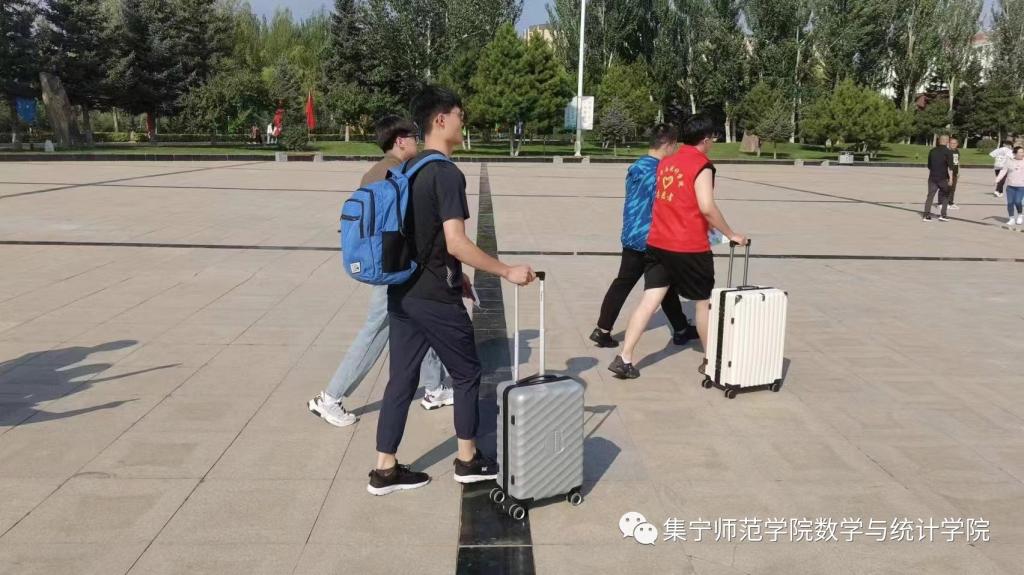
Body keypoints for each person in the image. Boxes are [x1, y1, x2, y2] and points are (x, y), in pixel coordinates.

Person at [368, 85, 535, 496]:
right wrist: (506, 270)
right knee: (467, 372)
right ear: (441, 120)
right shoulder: (445, 173)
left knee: (401, 379)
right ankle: (467, 460)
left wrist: (454, 271)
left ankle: (384, 470)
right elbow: (456, 242)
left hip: (402, 291)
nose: (463, 122)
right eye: (460, 115)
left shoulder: (408, 168)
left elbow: (423, 236)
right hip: (434, 298)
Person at [308, 116, 455, 429]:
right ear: (400, 141)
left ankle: (434, 388)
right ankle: (330, 397)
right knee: (377, 329)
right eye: (413, 137)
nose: (417, 142)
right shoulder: (399, 175)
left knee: (422, 319)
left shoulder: (373, 172)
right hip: (394, 265)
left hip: (386, 262)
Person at [608, 115, 747, 379]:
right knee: (702, 302)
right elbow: (706, 207)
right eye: (713, 138)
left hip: (658, 243)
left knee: (650, 300)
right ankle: (710, 362)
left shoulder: (667, 162)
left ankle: (624, 358)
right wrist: (731, 234)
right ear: (705, 139)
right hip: (689, 247)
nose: (713, 142)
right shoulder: (702, 165)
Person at [590, 124, 696, 349]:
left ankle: (602, 329)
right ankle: (681, 330)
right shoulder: (663, 172)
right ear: (668, 144)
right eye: (675, 145)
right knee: (663, 285)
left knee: (625, 283)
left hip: (631, 235)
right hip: (654, 238)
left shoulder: (636, 167)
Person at [923, 135, 953, 222]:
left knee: (930, 196)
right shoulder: (948, 152)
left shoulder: (932, 151)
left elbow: (929, 166)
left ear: (939, 141)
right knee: (946, 195)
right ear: (947, 141)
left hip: (932, 177)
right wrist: (951, 179)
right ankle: (943, 215)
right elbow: (950, 167)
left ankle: (926, 215)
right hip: (943, 178)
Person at [995, 146, 1024, 226]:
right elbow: (1003, 171)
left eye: (1023, 152)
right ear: (1015, 154)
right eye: (1020, 152)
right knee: (1010, 203)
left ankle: (1020, 215)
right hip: (1010, 186)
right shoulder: (1009, 161)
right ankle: (1011, 218)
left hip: (1021, 186)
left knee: (1018, 201)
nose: (1022, 154)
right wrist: (997, 180)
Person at [947, 137, 961, 210]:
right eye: (951, 143)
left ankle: (950, 202)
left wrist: (958, 171)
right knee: (947, 188)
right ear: (949, 144)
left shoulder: (957, 151)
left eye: (954, 143)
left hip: (955, 172)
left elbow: (957, 162)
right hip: (948, 173)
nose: (953, 144)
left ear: (957, 144)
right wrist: (949, 176)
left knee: (953, 188)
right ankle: (945, 203)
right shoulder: (947, 151)